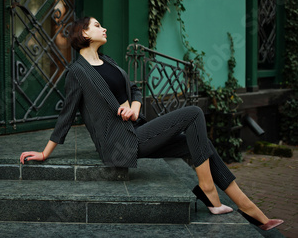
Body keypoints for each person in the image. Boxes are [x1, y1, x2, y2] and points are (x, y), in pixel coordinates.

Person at [20, 17, 283, 231]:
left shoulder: (108, 61)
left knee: (199, 144)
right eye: (98, 25)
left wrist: (134, 109)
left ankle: (249, 208)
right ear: (85, 35)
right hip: (119, 143)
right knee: (192, 113)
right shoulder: (78, 72)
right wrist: (45, 152)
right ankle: (207, 188)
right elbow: (67, 114)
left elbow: (133, 90)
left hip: (135, 131)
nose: (104, 27)